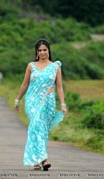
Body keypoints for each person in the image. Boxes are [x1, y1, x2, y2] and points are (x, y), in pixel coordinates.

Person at [14, 39, 67, 171]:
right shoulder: (31, 66)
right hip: (32, 101)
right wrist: (18, 100)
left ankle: (36, 160)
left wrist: (63, 104)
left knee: (41, 130)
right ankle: (44, 159)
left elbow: (59, 87)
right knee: (36, 126)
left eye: (45, 49)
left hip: (48, 102)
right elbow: (24, 84)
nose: (42, 52)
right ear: (37, 52)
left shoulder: (55, 67)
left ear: (49, 51)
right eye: (40, 50)